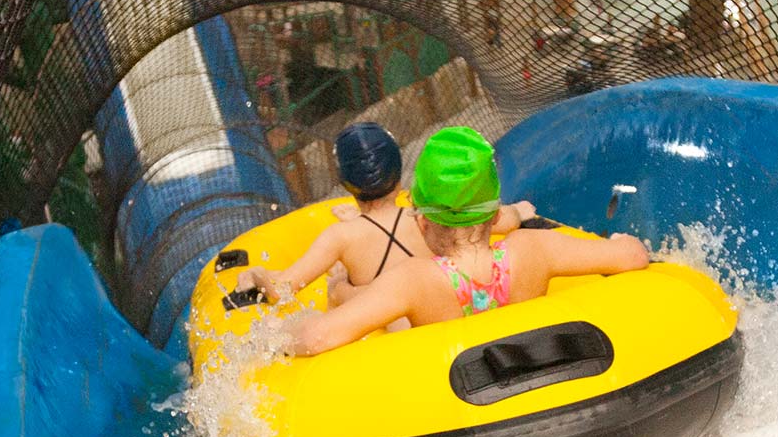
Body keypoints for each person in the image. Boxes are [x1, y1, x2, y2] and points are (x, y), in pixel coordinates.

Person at [292, 127, 648, 356]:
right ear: (495, 214)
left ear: (423, 221)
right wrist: (620, 239)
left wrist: (334, 296)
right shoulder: (533, 249)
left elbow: (316, 338)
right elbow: (633, 256)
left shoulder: (413, 281)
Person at [241, 120, 532, 304]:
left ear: (346, 183)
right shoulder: (428, 218)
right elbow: (504, 220)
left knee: (336, 286)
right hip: (437, 316)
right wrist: (519, 211)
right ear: (399, 173)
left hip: (381, 335)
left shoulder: (341, 237)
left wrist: (255, 274)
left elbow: (282, 290)